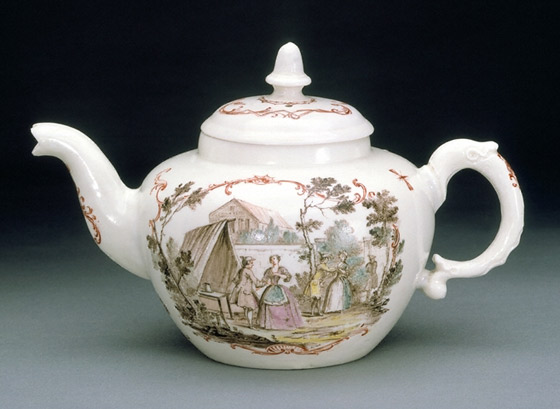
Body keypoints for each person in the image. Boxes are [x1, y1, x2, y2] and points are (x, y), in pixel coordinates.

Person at [257, 255, 304, 330]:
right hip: (270, 288)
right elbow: (264, 280)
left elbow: (288, 277)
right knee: (267, 304)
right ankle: (270, 324)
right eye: (271, 259)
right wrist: (259, 286)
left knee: (284, 304)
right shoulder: (268, 270)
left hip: (279, 288)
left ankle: (282, 324)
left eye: (274, 259)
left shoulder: (282, 269)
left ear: (278, 260)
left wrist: (278, 274)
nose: (273, 260)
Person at [230, 256, 259, 327]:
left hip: (241, 291)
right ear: (248, 262)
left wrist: (241, 285)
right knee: (250, 308)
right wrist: (265, 282)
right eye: (252, 263)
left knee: (246, 308)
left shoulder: (241, 270)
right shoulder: (248, 271)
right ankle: (250, 325)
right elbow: (257, 283)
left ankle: (249, 323)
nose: (253, 265)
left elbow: (235, 280)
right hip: (247, 292)